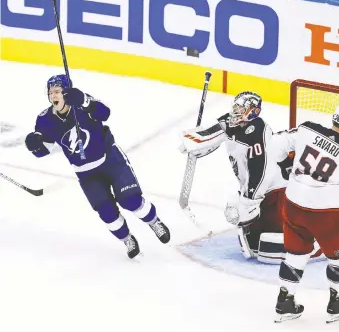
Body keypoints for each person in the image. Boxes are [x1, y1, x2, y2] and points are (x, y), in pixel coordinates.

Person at [25, 74, 170, 259]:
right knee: (107, 213)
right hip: (86, 174)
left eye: (58, 91)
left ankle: (154, 221)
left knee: (130, 200)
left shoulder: (80, 102)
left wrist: (85, 101)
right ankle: (127, 239)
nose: (54, 96)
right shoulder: (44, 119)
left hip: (110, 159)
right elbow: (43, 151)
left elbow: (105, 113)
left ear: (67, 92)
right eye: (51, 92)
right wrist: (34, 145)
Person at [179, 91, 322, 263]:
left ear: (252, 111)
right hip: (264, 194)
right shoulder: (232, 123)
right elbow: (210, 133)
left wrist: (249, 201)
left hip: (279, 196)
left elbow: (261, 171)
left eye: (240, 107)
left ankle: (318, 242)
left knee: (270, 252)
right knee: (254, 245)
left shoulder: (258, 133)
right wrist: (191, 141)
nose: (235, 111)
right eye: (235, 106)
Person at [272, 109, 339, 324]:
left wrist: (287, 168)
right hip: (326, 213)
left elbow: (275, 146)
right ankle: (336, 304)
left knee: (295, 253)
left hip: (293, 205)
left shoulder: (307, 129)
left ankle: (285, 301)